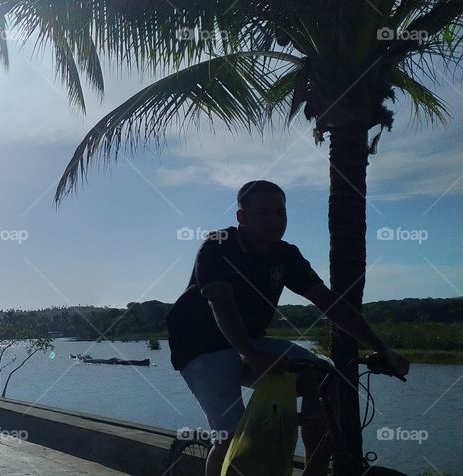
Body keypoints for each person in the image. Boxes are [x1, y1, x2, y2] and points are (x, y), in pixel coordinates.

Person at [166, 180, 409, 476]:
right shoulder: (218, 244)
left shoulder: (286, 255)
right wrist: (250, 353)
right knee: (230, 434)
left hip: (251, 341)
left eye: (280, 213)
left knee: (325, 380)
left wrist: (380, 347)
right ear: (241, 217)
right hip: (200, 346)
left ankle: (313, 472)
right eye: (263, 213)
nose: (274, 221)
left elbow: (328, 302)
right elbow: (221, 301)